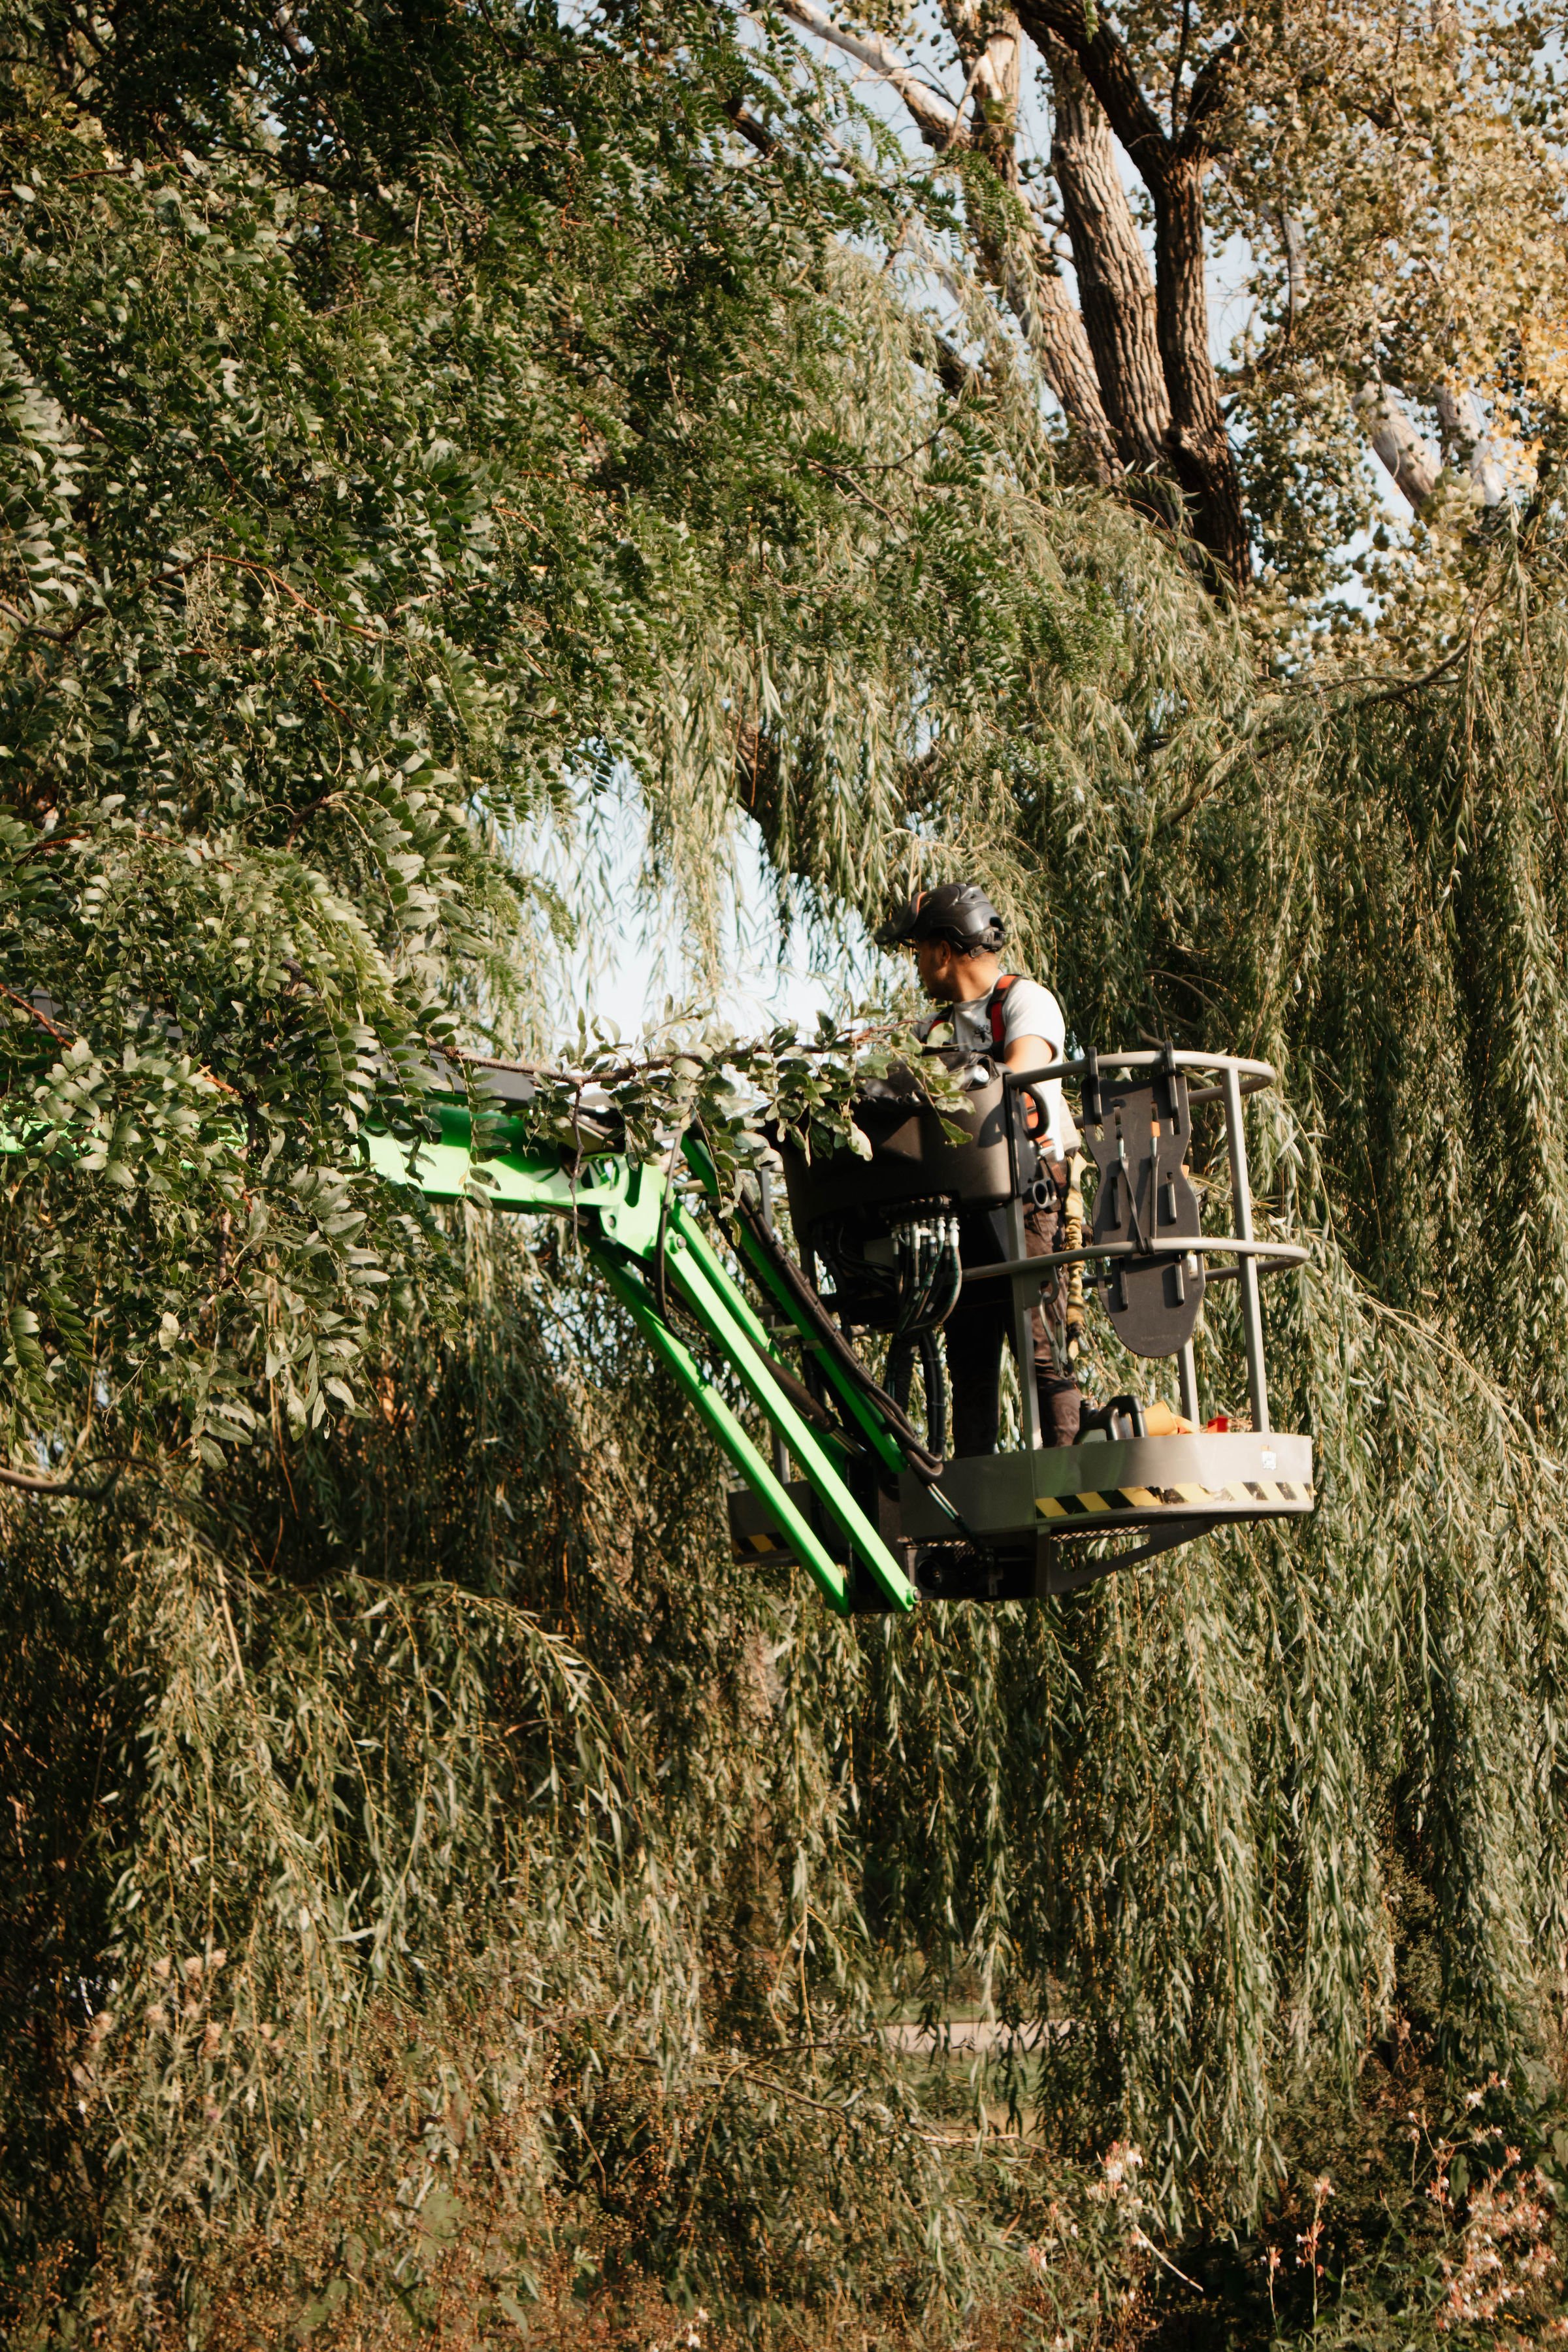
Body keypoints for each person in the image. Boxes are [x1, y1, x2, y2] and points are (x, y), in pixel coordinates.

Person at [876, 882, 1085, 1454]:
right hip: (962, 1204)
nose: (918, 965)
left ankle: (1065, 1470)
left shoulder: (1024, 1002)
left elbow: (1019, 1071)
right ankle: (975, 1479)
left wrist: (944, 1077)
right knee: (968, 1355)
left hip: (1028, 1193)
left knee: (1040, 1346)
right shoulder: (931, 1029)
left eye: (920, 951)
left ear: (944, 951)